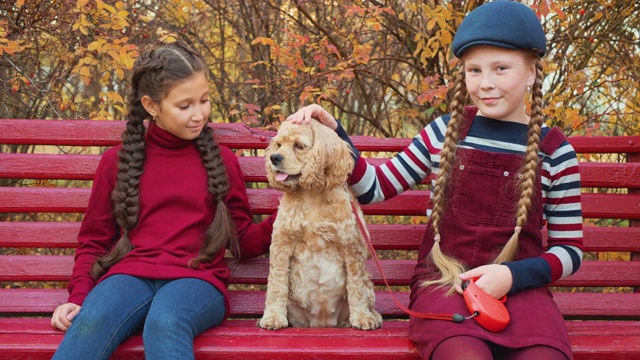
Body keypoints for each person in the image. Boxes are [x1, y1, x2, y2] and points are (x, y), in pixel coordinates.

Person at [287, 1, 584, 359]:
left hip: (523, 292)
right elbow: (374, 189)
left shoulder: (556, 151)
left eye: (501, 69)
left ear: (533, 73)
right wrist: (336, 134)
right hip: (445, 285)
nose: (485, 84)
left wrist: (513, 276)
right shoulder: (444, 133)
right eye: (474, 71)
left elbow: (569, 251)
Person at [50, 41, 275, 360]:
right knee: (91, 321)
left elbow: (242, 241)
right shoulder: (118, 161)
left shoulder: (221, 161)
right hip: (130, 275)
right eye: (185, 106)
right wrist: (79, 297)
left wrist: (287, 216)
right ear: (151, 106)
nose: (199, 114)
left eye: (205, 100)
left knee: (165, 321)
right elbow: (93, 241)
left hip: (198, 279)